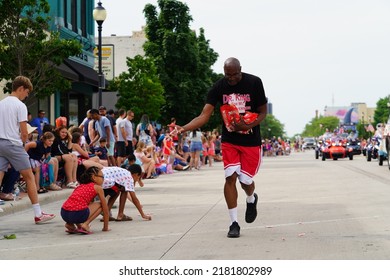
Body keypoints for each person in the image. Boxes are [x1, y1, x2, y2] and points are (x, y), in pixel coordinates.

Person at [174, 58, 267, 238]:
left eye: (235, 74)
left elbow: (263, 111)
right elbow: (204, 115)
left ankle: (251, 198)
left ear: (241, 70)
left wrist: (249, 125)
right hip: (230, 139)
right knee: (230, 177)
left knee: (245, 181)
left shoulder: (254, 82)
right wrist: (184, 127)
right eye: (228, 75)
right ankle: (233, 223)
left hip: (251, 140)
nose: (231, 79)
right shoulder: (219, 87)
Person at [0, 76, 55, 224]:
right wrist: (22, 144)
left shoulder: (1, 103)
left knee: (0, 173)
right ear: (21, 88)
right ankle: (38, 213)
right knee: (29, 176)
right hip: (13, 143)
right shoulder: (20, 106)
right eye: (27, 92)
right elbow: (25, 133)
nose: (27, 95)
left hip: (0, 143)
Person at [61, 166, 110, 234]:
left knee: (80, 205)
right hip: (77, 214)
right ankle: (86, 224)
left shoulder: (81, 186)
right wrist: (105, 227)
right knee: (101, 204)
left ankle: (69, 224)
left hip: (64, 213)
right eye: (102, 177)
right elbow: (105, 209)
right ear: (94, 177)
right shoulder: (98, 188)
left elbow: (77, 204)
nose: (103, 179)